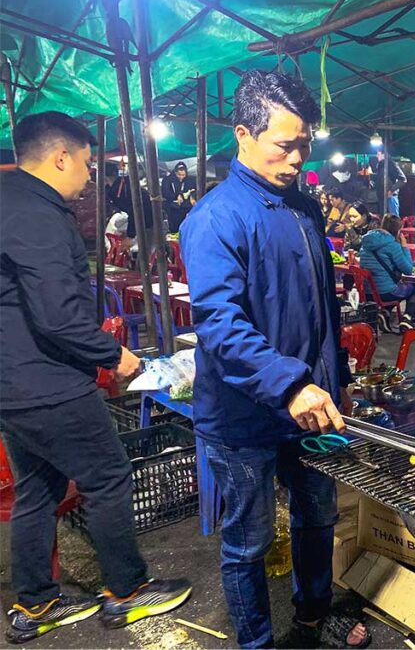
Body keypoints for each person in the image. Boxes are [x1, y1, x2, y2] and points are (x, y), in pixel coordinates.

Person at [179, 71, 367, 649]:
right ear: (243, 134)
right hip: (244, 419)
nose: (296, 157)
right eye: (284, 145)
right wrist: (290, 385)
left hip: (311, 404)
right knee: (248, 542)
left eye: (304, 144)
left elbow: (319, 311)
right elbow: (219, 324)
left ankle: (313, 615)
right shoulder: (215, 218)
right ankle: (257, 643)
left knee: (318, 516)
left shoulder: (304, 209)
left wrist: (334, 379)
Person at [1, 112, 192, 644]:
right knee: (108, 477)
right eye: (85, 164)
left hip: (12, 382)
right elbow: (58, 314)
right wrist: (116, 356)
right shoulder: (38, 215)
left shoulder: (8, 201)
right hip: (48, 382)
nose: (89, 177)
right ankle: (127, 592)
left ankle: (35, 603)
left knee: (36, 491)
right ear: (59, 157)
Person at [360, 214, 415, 331]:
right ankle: (407, 318)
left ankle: (385, 313)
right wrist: (404, 247)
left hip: (368, 292)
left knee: (395, 287)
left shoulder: (366, 242)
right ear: (397, 230)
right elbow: (408, 270)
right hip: (385, 292)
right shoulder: (392, 245)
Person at [162, 161, 197, 234]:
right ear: (175, 173)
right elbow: (165, 192)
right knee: (175, 227)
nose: (181, 177)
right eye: (179, 175)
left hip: (186, 208)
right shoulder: (167, 180)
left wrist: (191, 197)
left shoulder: (190, 180)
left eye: (183, 175)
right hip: (173, 209)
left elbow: (194, 191)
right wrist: (176, 195)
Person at [372, 149, 406, 215]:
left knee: (394, 220)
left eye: (378, 154)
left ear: (384, 155)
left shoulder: (391, 164)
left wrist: (391, 190)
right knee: (384, 221)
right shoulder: (380, 166)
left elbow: (403, 179)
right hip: (382, 197)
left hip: (391, 197)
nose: (376, 156)